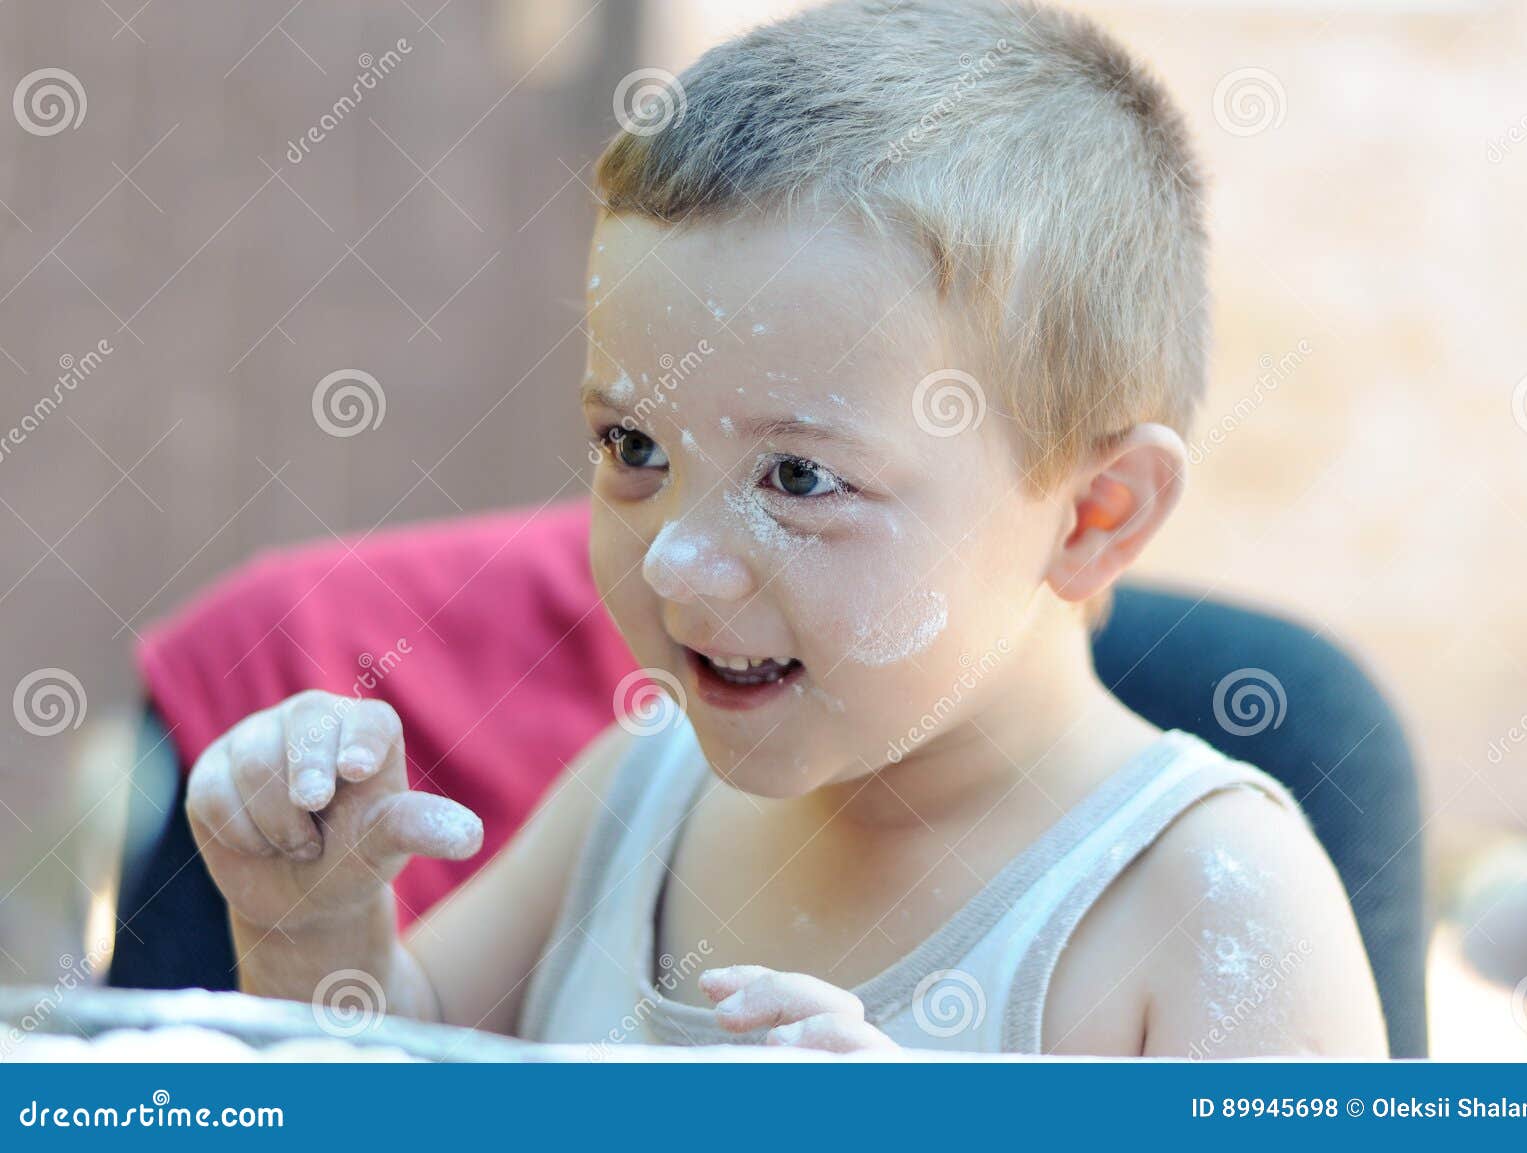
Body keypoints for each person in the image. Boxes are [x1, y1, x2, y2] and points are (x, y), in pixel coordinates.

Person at [185, 0, 1386, 1056]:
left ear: (1091, 513)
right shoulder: (633, 797)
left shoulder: (1211, 910)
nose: (675, 559)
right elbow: (381, 1081)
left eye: (801, 477)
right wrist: (318, 930)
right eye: (634, 449)